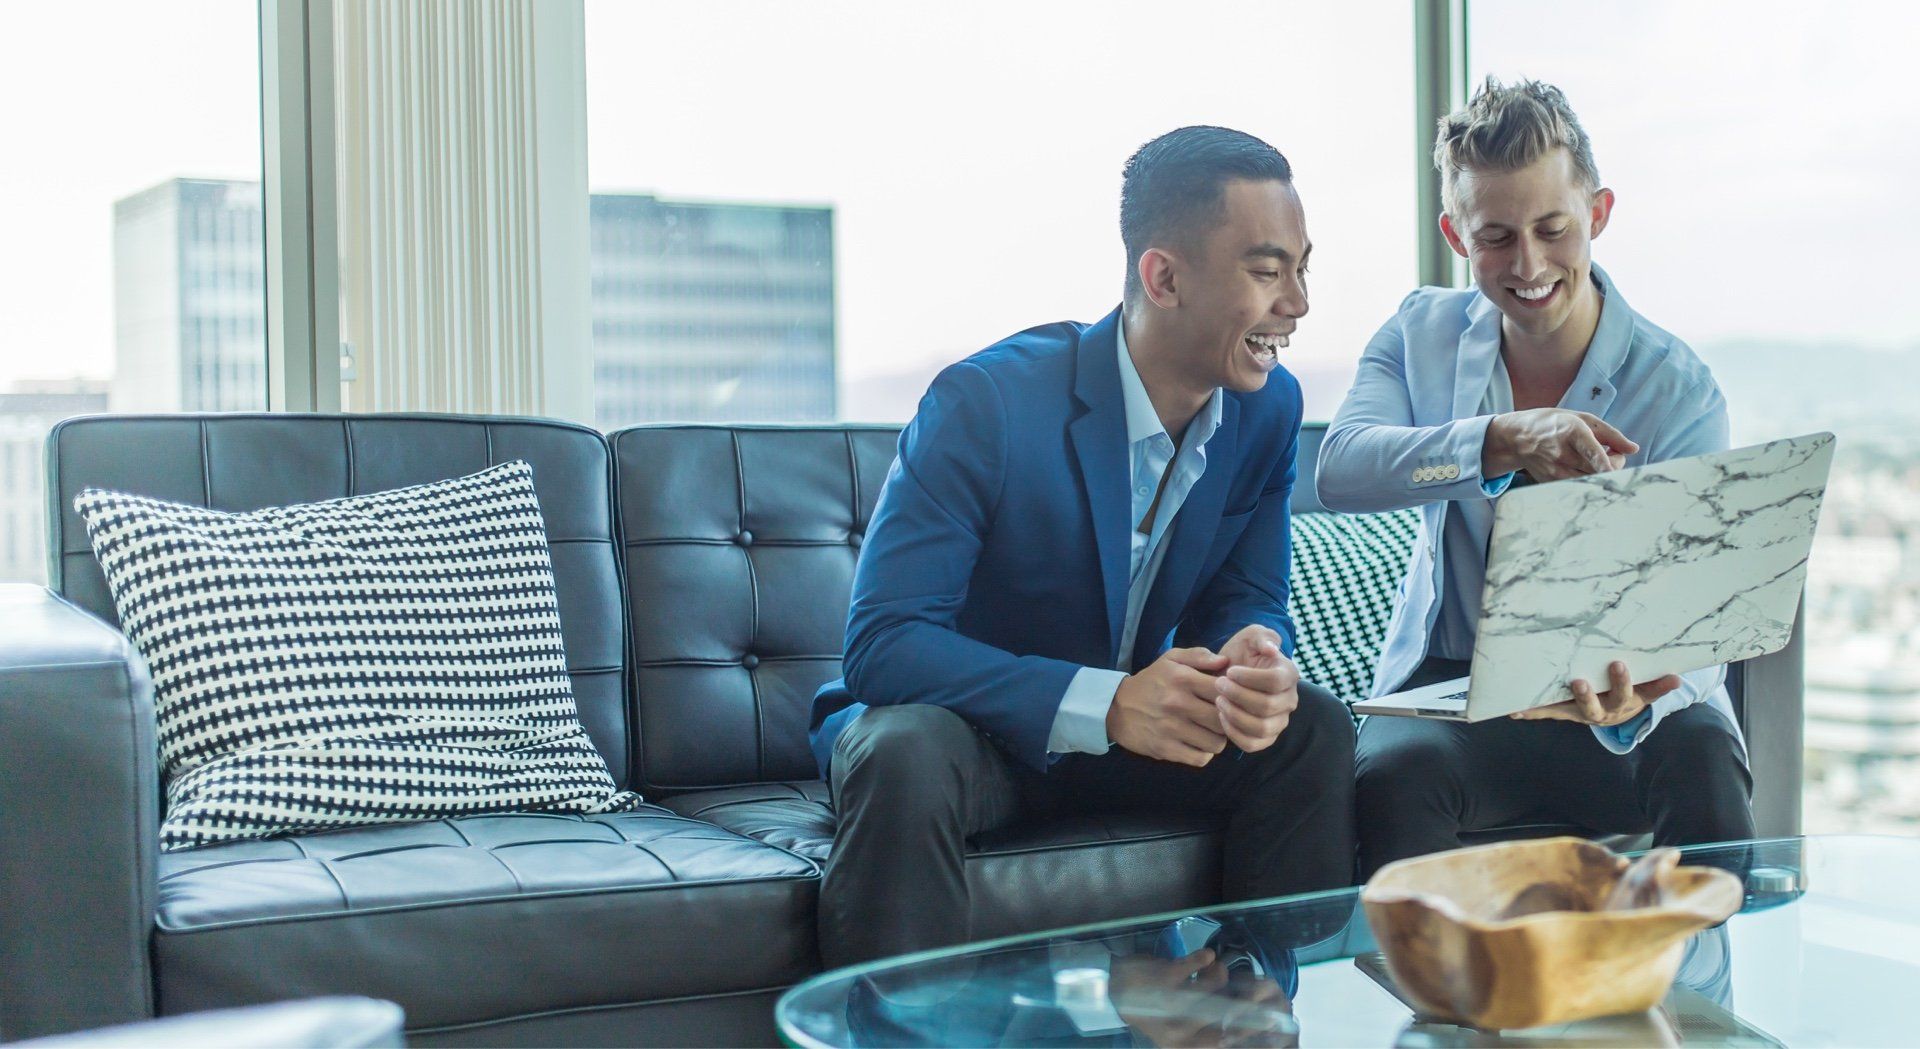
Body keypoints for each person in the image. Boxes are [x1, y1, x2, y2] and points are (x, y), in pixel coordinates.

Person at [810, 125, 1356, 967]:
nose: (1299, 302)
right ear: (1164, 276)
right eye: (1267, 269)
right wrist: (1105, 703)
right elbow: (883, 645)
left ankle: (1245, 1007)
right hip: (975, 736)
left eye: (1302, 266)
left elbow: (1247, 594)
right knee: (902, 751)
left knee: (1309, 727)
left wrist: (1256, 649)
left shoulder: (1268, 409)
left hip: (1128, 740)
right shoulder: (984, 403)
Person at [1317, 78, 1755, 878]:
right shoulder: (1418, 335)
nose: (1529, 264)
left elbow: (1702, 617)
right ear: (1455, 234)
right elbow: (1341, 468)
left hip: (1619, 698)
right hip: (1455, 693)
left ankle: (1705, 1000)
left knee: (1703, 755)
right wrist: (1501, 440)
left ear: (1599, 213)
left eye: (1553, 228)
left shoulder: (1678, 388)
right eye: (1496, 237)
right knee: (1391, 775)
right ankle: (1437, 1005)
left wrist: (1643, 691)